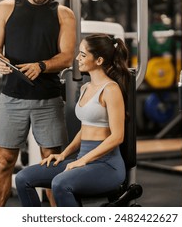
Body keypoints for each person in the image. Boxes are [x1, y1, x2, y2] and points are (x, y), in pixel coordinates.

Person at [0, 0, 76, 207]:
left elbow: (67, 56)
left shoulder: (63, 14)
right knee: (4, 161)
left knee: (51, 162)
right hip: (11, 98)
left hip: (48, 100)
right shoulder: (5, 8)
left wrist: (42, 66)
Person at [15, 33, 131, 207]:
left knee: (60, 184)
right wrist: (63, 154)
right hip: (84, 158)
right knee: (23, 178)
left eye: (83, 54)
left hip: (107, 165)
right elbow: (85, 129)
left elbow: (117, 136)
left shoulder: (111, 89)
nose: (77, 58)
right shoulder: (85, 87)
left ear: (98, 60)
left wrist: (83, 160)